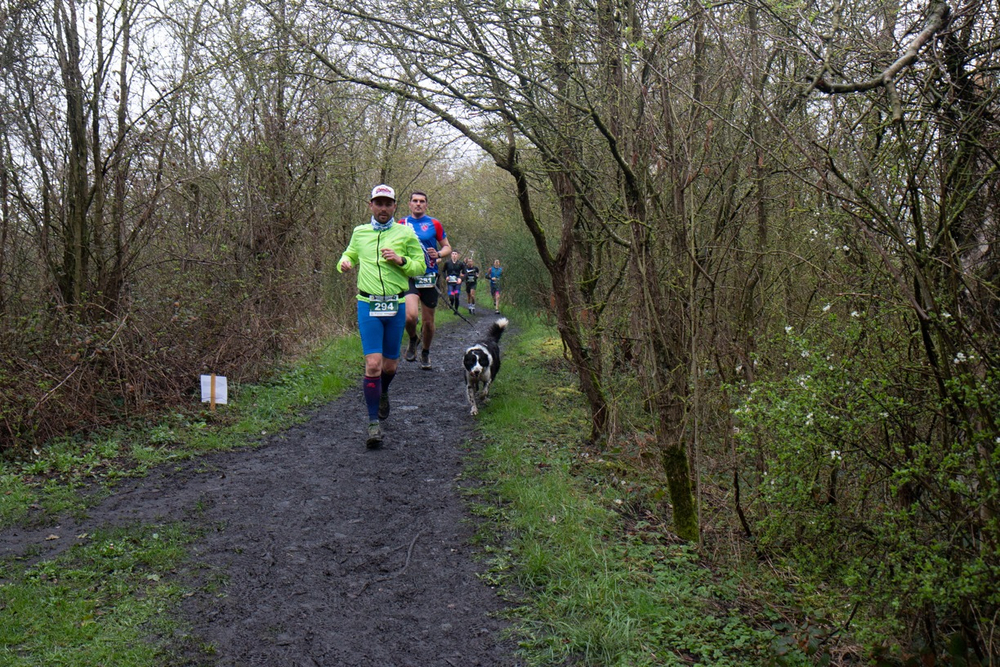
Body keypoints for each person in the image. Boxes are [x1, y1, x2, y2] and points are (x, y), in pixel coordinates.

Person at [338, 184, 427, 448]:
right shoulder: (360, 232)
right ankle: (372, 424)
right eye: (378, 203)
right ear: (371, 205)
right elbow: (350, 253)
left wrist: (401, 260)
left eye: (388, 204)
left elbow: (420, 266)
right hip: (368, 304)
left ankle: (383, 390)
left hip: (396, 305)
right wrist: (344, 262)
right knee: (373, 365)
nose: (383, 208)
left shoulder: (405, 233)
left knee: (390, 367)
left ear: (394, 207)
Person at [398, 191, 451, 369]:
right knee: (410, 316)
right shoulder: (401, 224)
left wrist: (439, 254)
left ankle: (426, 352)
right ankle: (413, 339)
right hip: (409, 275)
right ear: (409, 204)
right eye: (415, 201)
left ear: (426, 205)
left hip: (429, 276)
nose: (418, 204)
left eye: (422, 201)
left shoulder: (434, 223)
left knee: (428, 322)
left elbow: (447, 247)